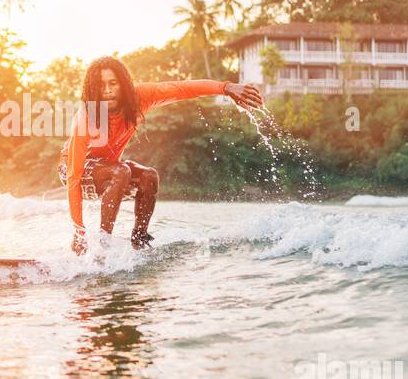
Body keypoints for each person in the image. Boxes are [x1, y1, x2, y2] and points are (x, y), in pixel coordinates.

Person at [59, 56, 264, 255]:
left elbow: (181, 88)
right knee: (120, 171)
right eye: (101, 85)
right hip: (73, 168)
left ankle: (139, 241)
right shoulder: (87, 117)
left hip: (110, 168)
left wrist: (225, 88)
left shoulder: (139, 97)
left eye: (113, 83)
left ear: (123, 84)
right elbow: (73, 175)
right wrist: (79, 231)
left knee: (148, 177)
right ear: (93, 89)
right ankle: (104, 246)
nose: (108, 90)